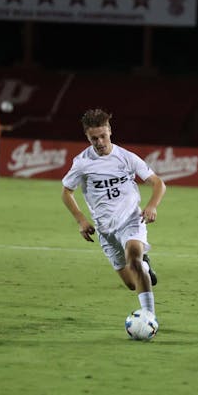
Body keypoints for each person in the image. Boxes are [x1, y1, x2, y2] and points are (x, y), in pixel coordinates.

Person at [62, 108, 166, 320]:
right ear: (87, 137)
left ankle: (149, 317)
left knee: (134, 261)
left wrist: (152, 206)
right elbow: (66, 193)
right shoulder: (82, 163)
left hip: (130, 220)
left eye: (102, 136)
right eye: (94, 138)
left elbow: (157, 183)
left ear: (110, 130)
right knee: (131, 282)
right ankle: (145, 265)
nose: (99, 142)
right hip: (105, 230)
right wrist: (81, 220)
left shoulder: (126, 157)